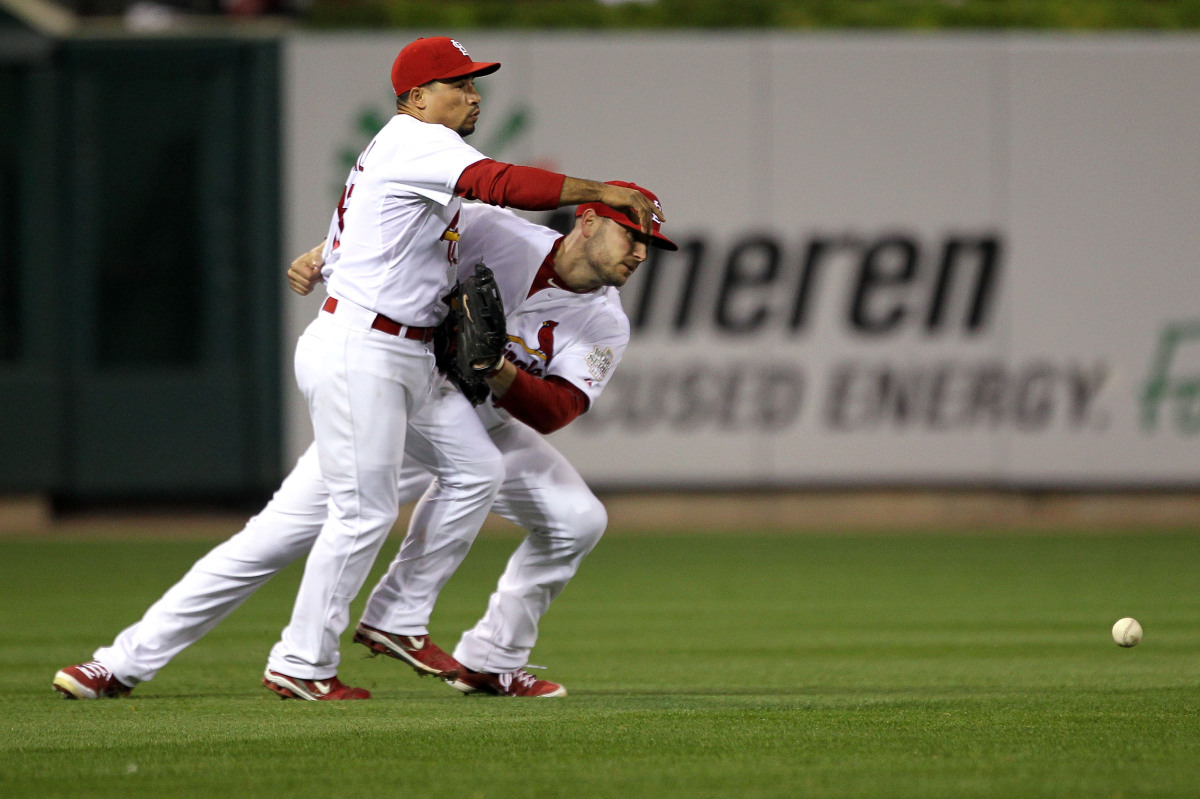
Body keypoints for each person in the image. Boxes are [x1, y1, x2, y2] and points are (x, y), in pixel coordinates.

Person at [52, 184, 675, 701]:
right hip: (396, 411)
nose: (641, 254)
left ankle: (490, 659)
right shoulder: (497, 229)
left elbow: (557, 411)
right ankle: (119, 663)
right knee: (270, 542)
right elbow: (393, 229)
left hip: (478, 416)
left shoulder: (604, 320)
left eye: (650, 244)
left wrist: (500, 371)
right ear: (588, 220)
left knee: (577, 519)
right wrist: (327, 252)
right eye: (633, 235)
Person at [265, 35, 662, 700]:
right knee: (351, 516)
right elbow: (498, 185)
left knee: (483, 473)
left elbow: (389, 231)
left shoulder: (430, 165)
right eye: (460, 84)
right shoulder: (417, 142)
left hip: (411, 363)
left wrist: (328, 253)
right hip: (368, 347)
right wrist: (600, 185)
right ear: (418, 98)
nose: (474, 95)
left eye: (475, 84)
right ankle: (300, 660)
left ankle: (407, 624)